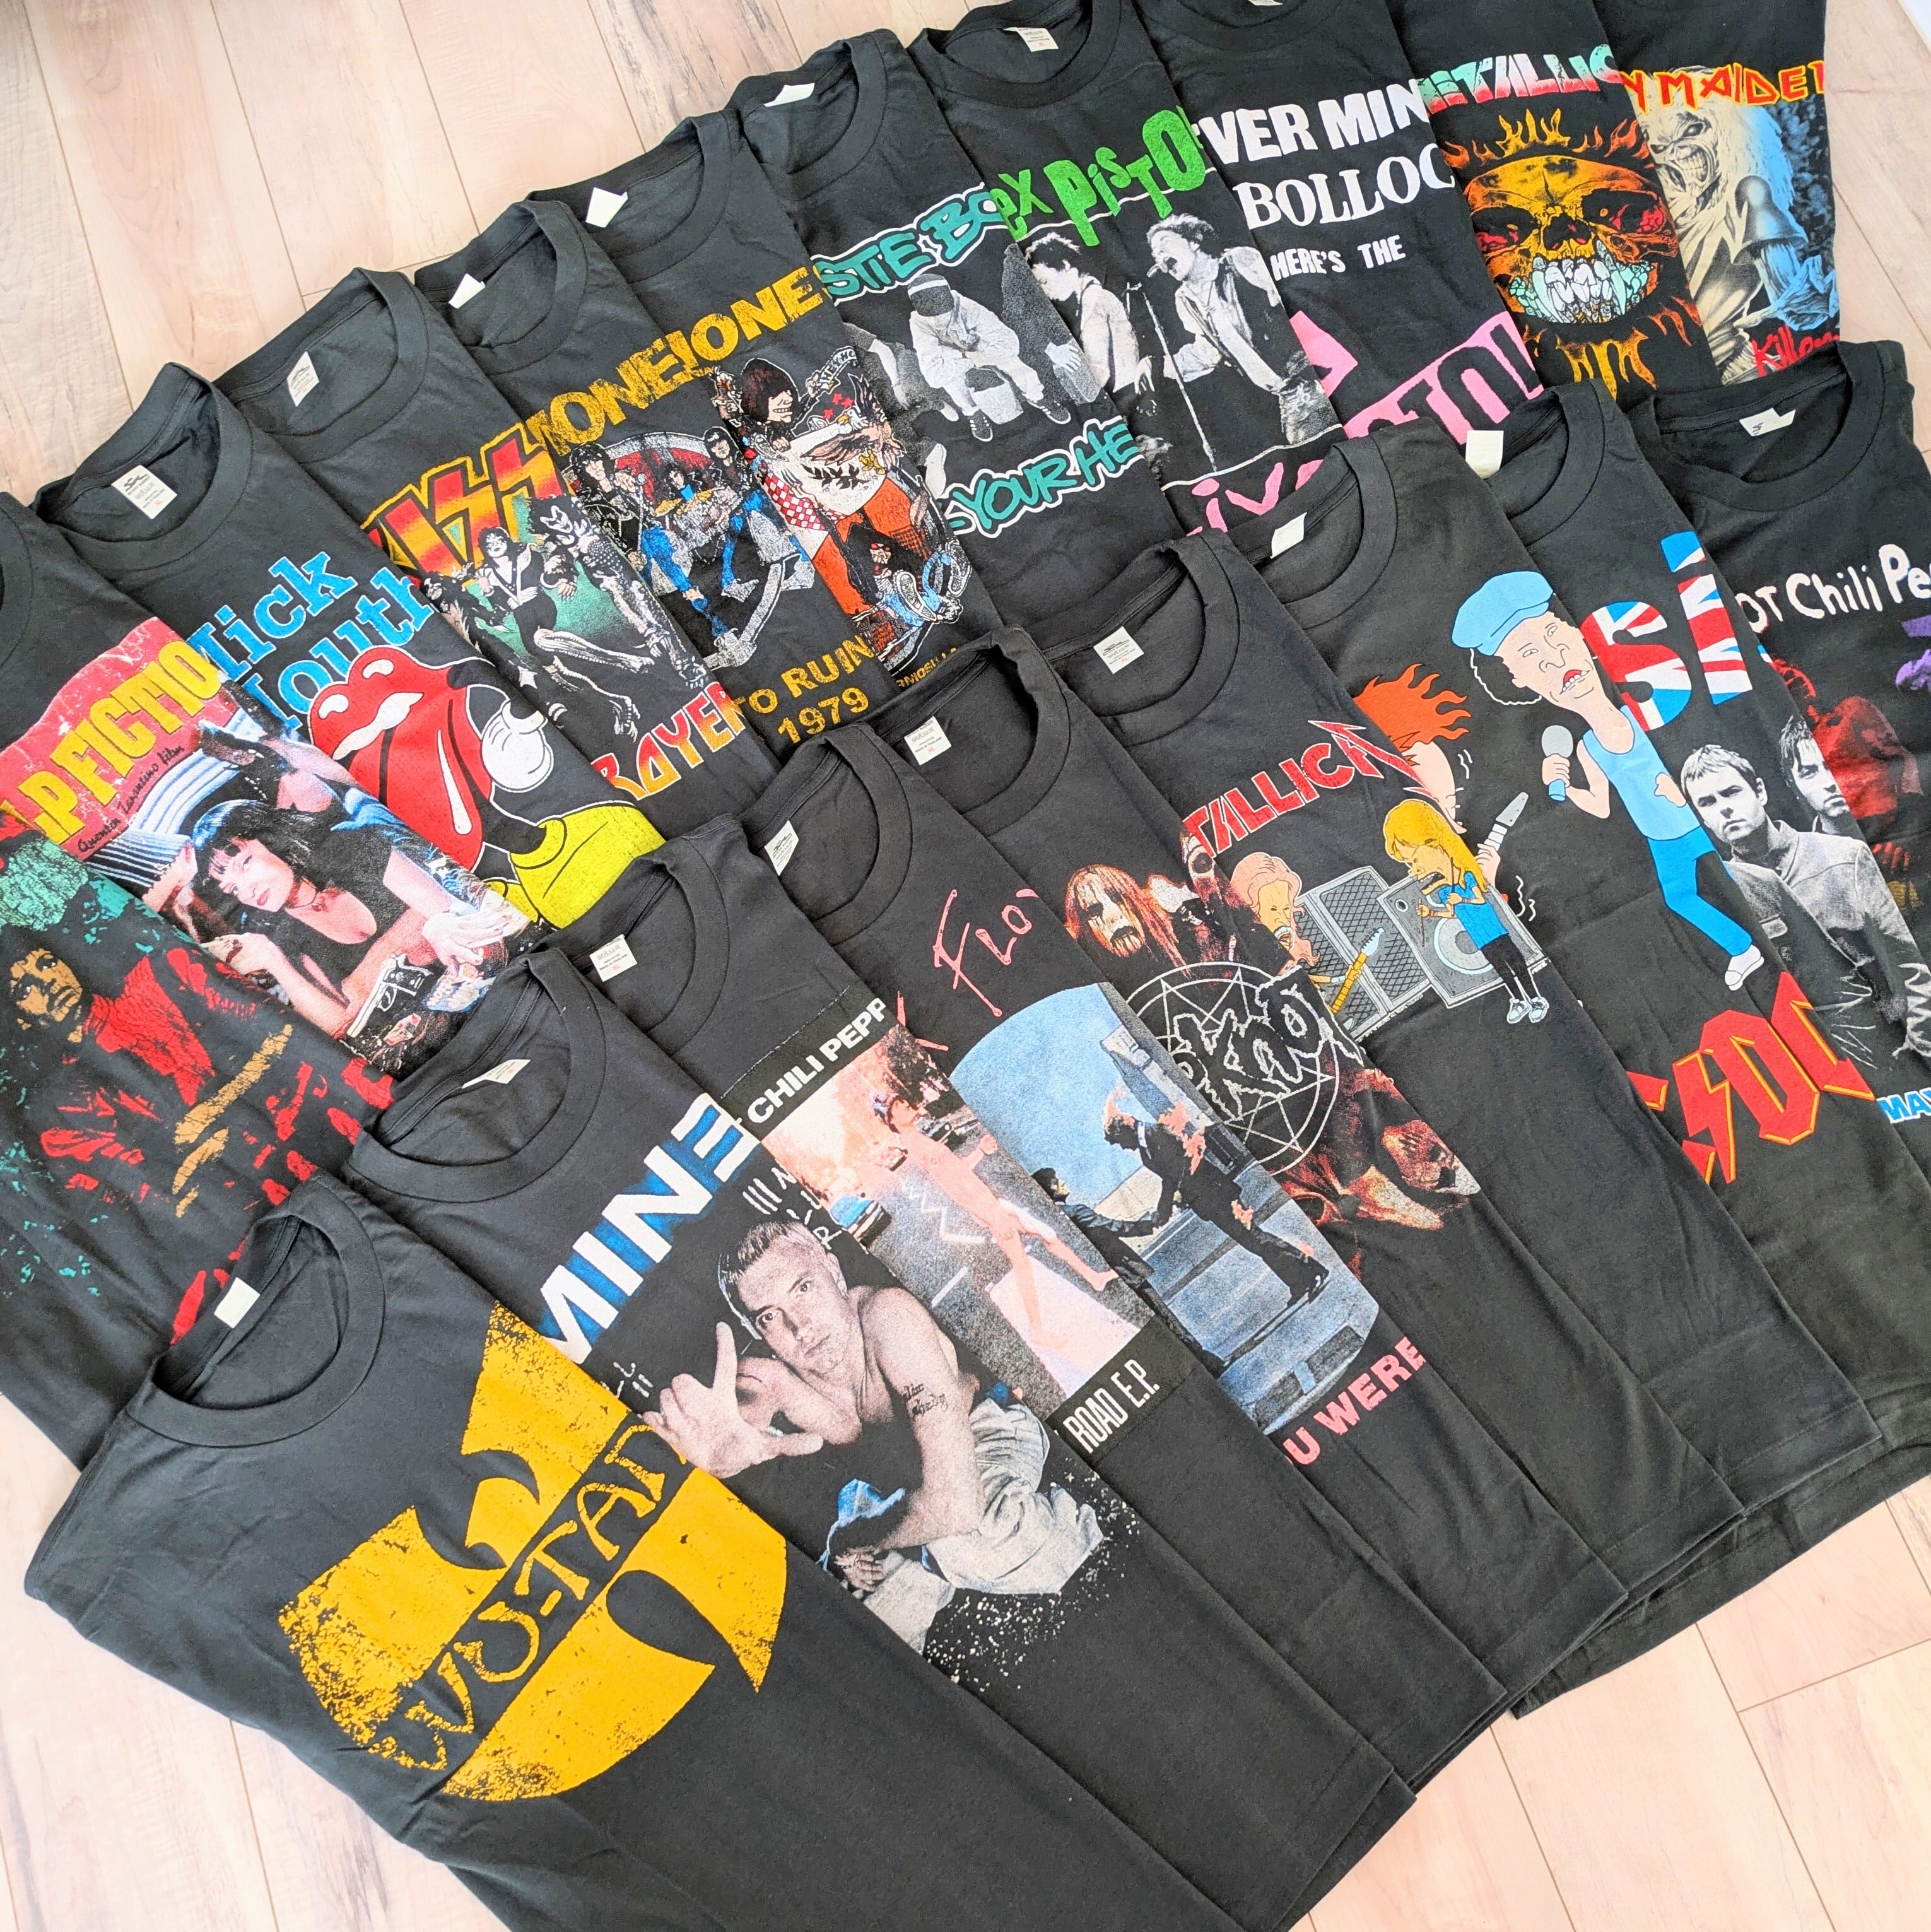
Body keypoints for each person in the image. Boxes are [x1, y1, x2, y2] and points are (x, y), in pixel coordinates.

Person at [642, 1220, 1101, 1651]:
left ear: (833, 1272)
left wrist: (855, 1539)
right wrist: (717, 1457)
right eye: (768, 1317)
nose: (799, 1328)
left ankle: (1098, 1552)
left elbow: (955, 1504)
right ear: (754, 1331)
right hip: (887, 1491)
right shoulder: (767, 1376)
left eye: (803, 1289)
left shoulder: (887, 1318)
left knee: (977, 1537)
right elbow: (740, 1407)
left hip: (980, 1434)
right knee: (849, 1623)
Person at [1455, 569, 1765, 990]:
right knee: (1680, 896)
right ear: (1519, 682)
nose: (1554, 659)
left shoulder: (1645, 708)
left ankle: (1770, 934)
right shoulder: (1586, 747)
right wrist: (1566, 787)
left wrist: (1679, 790)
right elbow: (1600, 805)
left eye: (1553, 633)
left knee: (1737, 874)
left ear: (1577, 633)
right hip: (1658, 835)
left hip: (1692, 818)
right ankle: (1743, 948)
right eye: (1529, 655)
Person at [1682, 742, 1931, 1056]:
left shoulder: (1844, 857)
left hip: (1887, 1039)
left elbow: (1909, 963)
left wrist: (1919, 1046)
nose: (1724, 809)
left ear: (1759, 791)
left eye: (1731, 792)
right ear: (1701, 817)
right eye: (1707, 802)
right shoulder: (1723, 896)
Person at [189, 801, 514, 1040]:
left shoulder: (348, 844)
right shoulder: (275, 935)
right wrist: (273, 959)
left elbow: (444, 910)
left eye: (245, 864)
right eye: (233, 889)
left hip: (501, 980)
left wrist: (362, 983)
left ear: (273, 840)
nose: (247, 890)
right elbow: (340, 1025)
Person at [871, 1090, 1135, 1374]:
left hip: (991, 1202)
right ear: (891, 1119)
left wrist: (980, 1153)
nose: (905, 1105)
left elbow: (960, 1172)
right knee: (1022, 1263)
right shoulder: (917, 1146)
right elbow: (952, 1187)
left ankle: (1093, 1277)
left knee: (1047, 1235)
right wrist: (991, 1217)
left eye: (902, 1101)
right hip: (989, 1208)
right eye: (897, 1106)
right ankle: (1037, 1330)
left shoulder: (920, 1140)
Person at [1099, 1100, 1329, 1299]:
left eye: (1120, 1142)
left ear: (1126, 1130)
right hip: (1206, 1200)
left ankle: (1311, 1268)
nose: (1124, 1147)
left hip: (1216, 1193)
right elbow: (1176, 1177)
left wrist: (1164, 1210)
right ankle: (1298, 1281)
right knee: (1251, 1241)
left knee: (1253, 1237)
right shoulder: (1146, 1149)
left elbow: (1174, 1176)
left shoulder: (1156, 1134)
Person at [1144, 213, 1330, 443]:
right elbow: (1208, 354)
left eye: (1164, 244)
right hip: (1290, 397)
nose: (1160, 256)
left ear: (1194, 241)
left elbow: (1297, 300)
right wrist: (1158, 366)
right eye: (1155, 254)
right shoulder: (1186, 300)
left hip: (1314, 377)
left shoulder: (1238, 261)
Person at [1384, 797, 1548, 1024]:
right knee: (1501, 969)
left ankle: (1536, 999)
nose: (1413, 870)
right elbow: (1452, 914)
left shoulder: (1467, 875)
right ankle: (1519, 1000)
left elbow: (1480, 899)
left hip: (1495, 930)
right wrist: (1431, 914)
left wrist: (1462, 897)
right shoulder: (1443, 891)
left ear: (1434, 843)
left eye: (1414, 860)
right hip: (1480, 937)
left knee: (1516, 963)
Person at [903, 269, 1070, 441]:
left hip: (976, 350)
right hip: (965, 357)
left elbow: (1010, 345)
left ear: (950, 303)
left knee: (1011, 361)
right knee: (949, 381)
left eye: (941, 312)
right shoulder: (918, 322)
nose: (937, 321)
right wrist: (966, 358)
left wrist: (962, 355)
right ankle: (973, 412)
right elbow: (933, 377)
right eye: (929, 315)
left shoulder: (968, 308)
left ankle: (1037, 396)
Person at [1025, 237, 1146, 395]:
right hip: (1126, 391)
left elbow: (1099, 373)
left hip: (1124, 394)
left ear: (1065, 265)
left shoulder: (1094, 300)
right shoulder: (1087, 299)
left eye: (1045, 281)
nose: (1046, 293)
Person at [1031, 1165, 1155, 1291]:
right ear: (1048, 1191)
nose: (1062, 1182)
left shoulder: (1050, 1222)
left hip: (1091, 1281)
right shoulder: (1077, 1212)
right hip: (1122, 1269)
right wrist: (1144, 1226)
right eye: (1056, 1182)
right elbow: (1111, 1226)